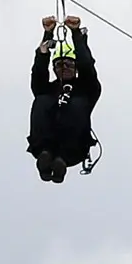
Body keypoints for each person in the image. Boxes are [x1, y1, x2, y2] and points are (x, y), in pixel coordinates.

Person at [30, 15, 103, 183]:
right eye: (60, 65)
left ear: (75, 67)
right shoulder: (47, 90)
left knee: (77, 104)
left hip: (74, 147)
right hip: (44, 143)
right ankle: (46, 156)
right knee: (41, 101)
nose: (64, 68)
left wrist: (76, 33)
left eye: (69, 64)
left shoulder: (87, 89)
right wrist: (47, 36)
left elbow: (87, 66)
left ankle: (60, 161)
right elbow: (38, 74)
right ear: (54, 69)